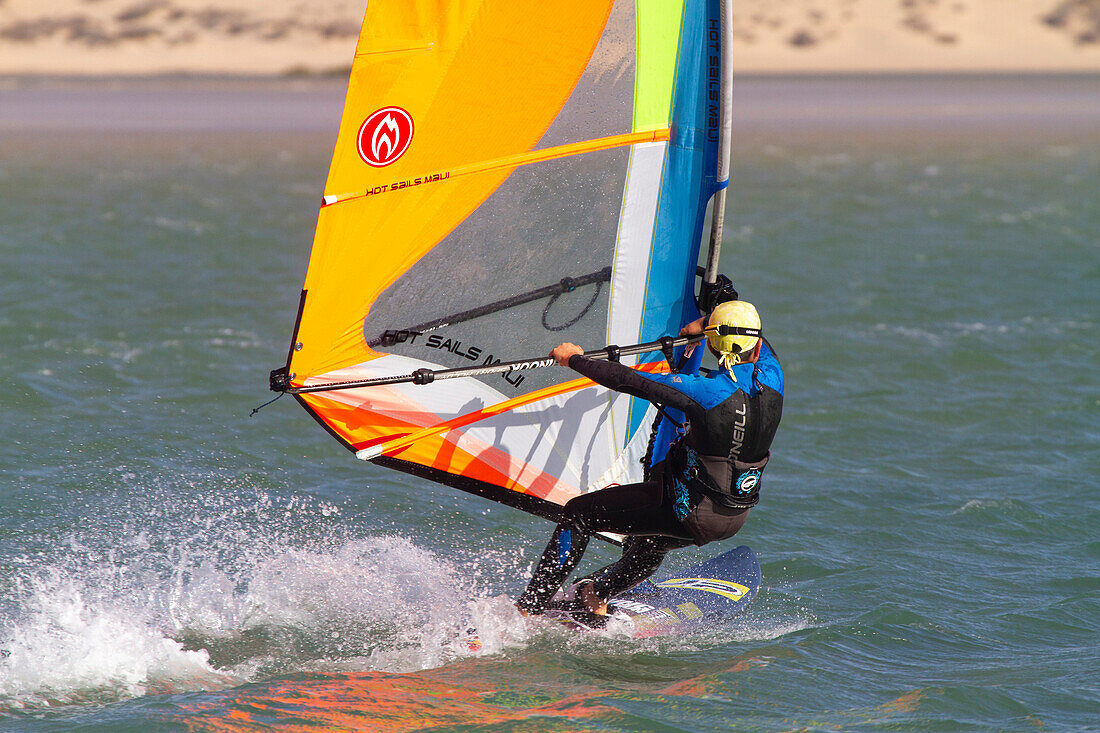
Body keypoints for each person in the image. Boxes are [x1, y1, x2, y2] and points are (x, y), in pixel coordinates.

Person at [515, 298, 784, 621]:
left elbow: (629, 380)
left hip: (689, 511)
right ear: (755, 348)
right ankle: (595, 594)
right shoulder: (773, 377)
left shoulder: (706, 391)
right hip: (733, 517)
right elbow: (754, 337)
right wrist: (712, 319)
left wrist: (574, 359)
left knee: (579, 514)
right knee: (653, 542)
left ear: (712, 346)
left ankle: (526, 610)